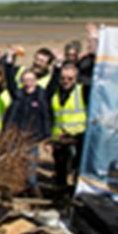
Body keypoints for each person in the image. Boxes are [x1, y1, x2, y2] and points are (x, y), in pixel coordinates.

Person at [4, 68, 52, 192]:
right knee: (14, 166)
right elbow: (10, 81)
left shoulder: (41, 96)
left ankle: (32, 190)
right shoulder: (18, 96)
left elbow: (46, 118)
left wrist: (47, 139)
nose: (28, 82)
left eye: (31, 79)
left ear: (36, 81)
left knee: (30, 168)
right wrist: (8, 63)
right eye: (25, 80)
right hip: (16, 137)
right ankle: (15, 190)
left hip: (33, 138)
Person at [46, 62, 89, 190]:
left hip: (78, 137)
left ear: (76, 79)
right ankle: (61, 191)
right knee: (60, 167)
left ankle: (76, 191)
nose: (66, 81)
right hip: (59, 137)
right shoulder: (55, 92)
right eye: (63, 78)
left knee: (78, 167)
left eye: (70, 78)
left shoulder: (82, 91)